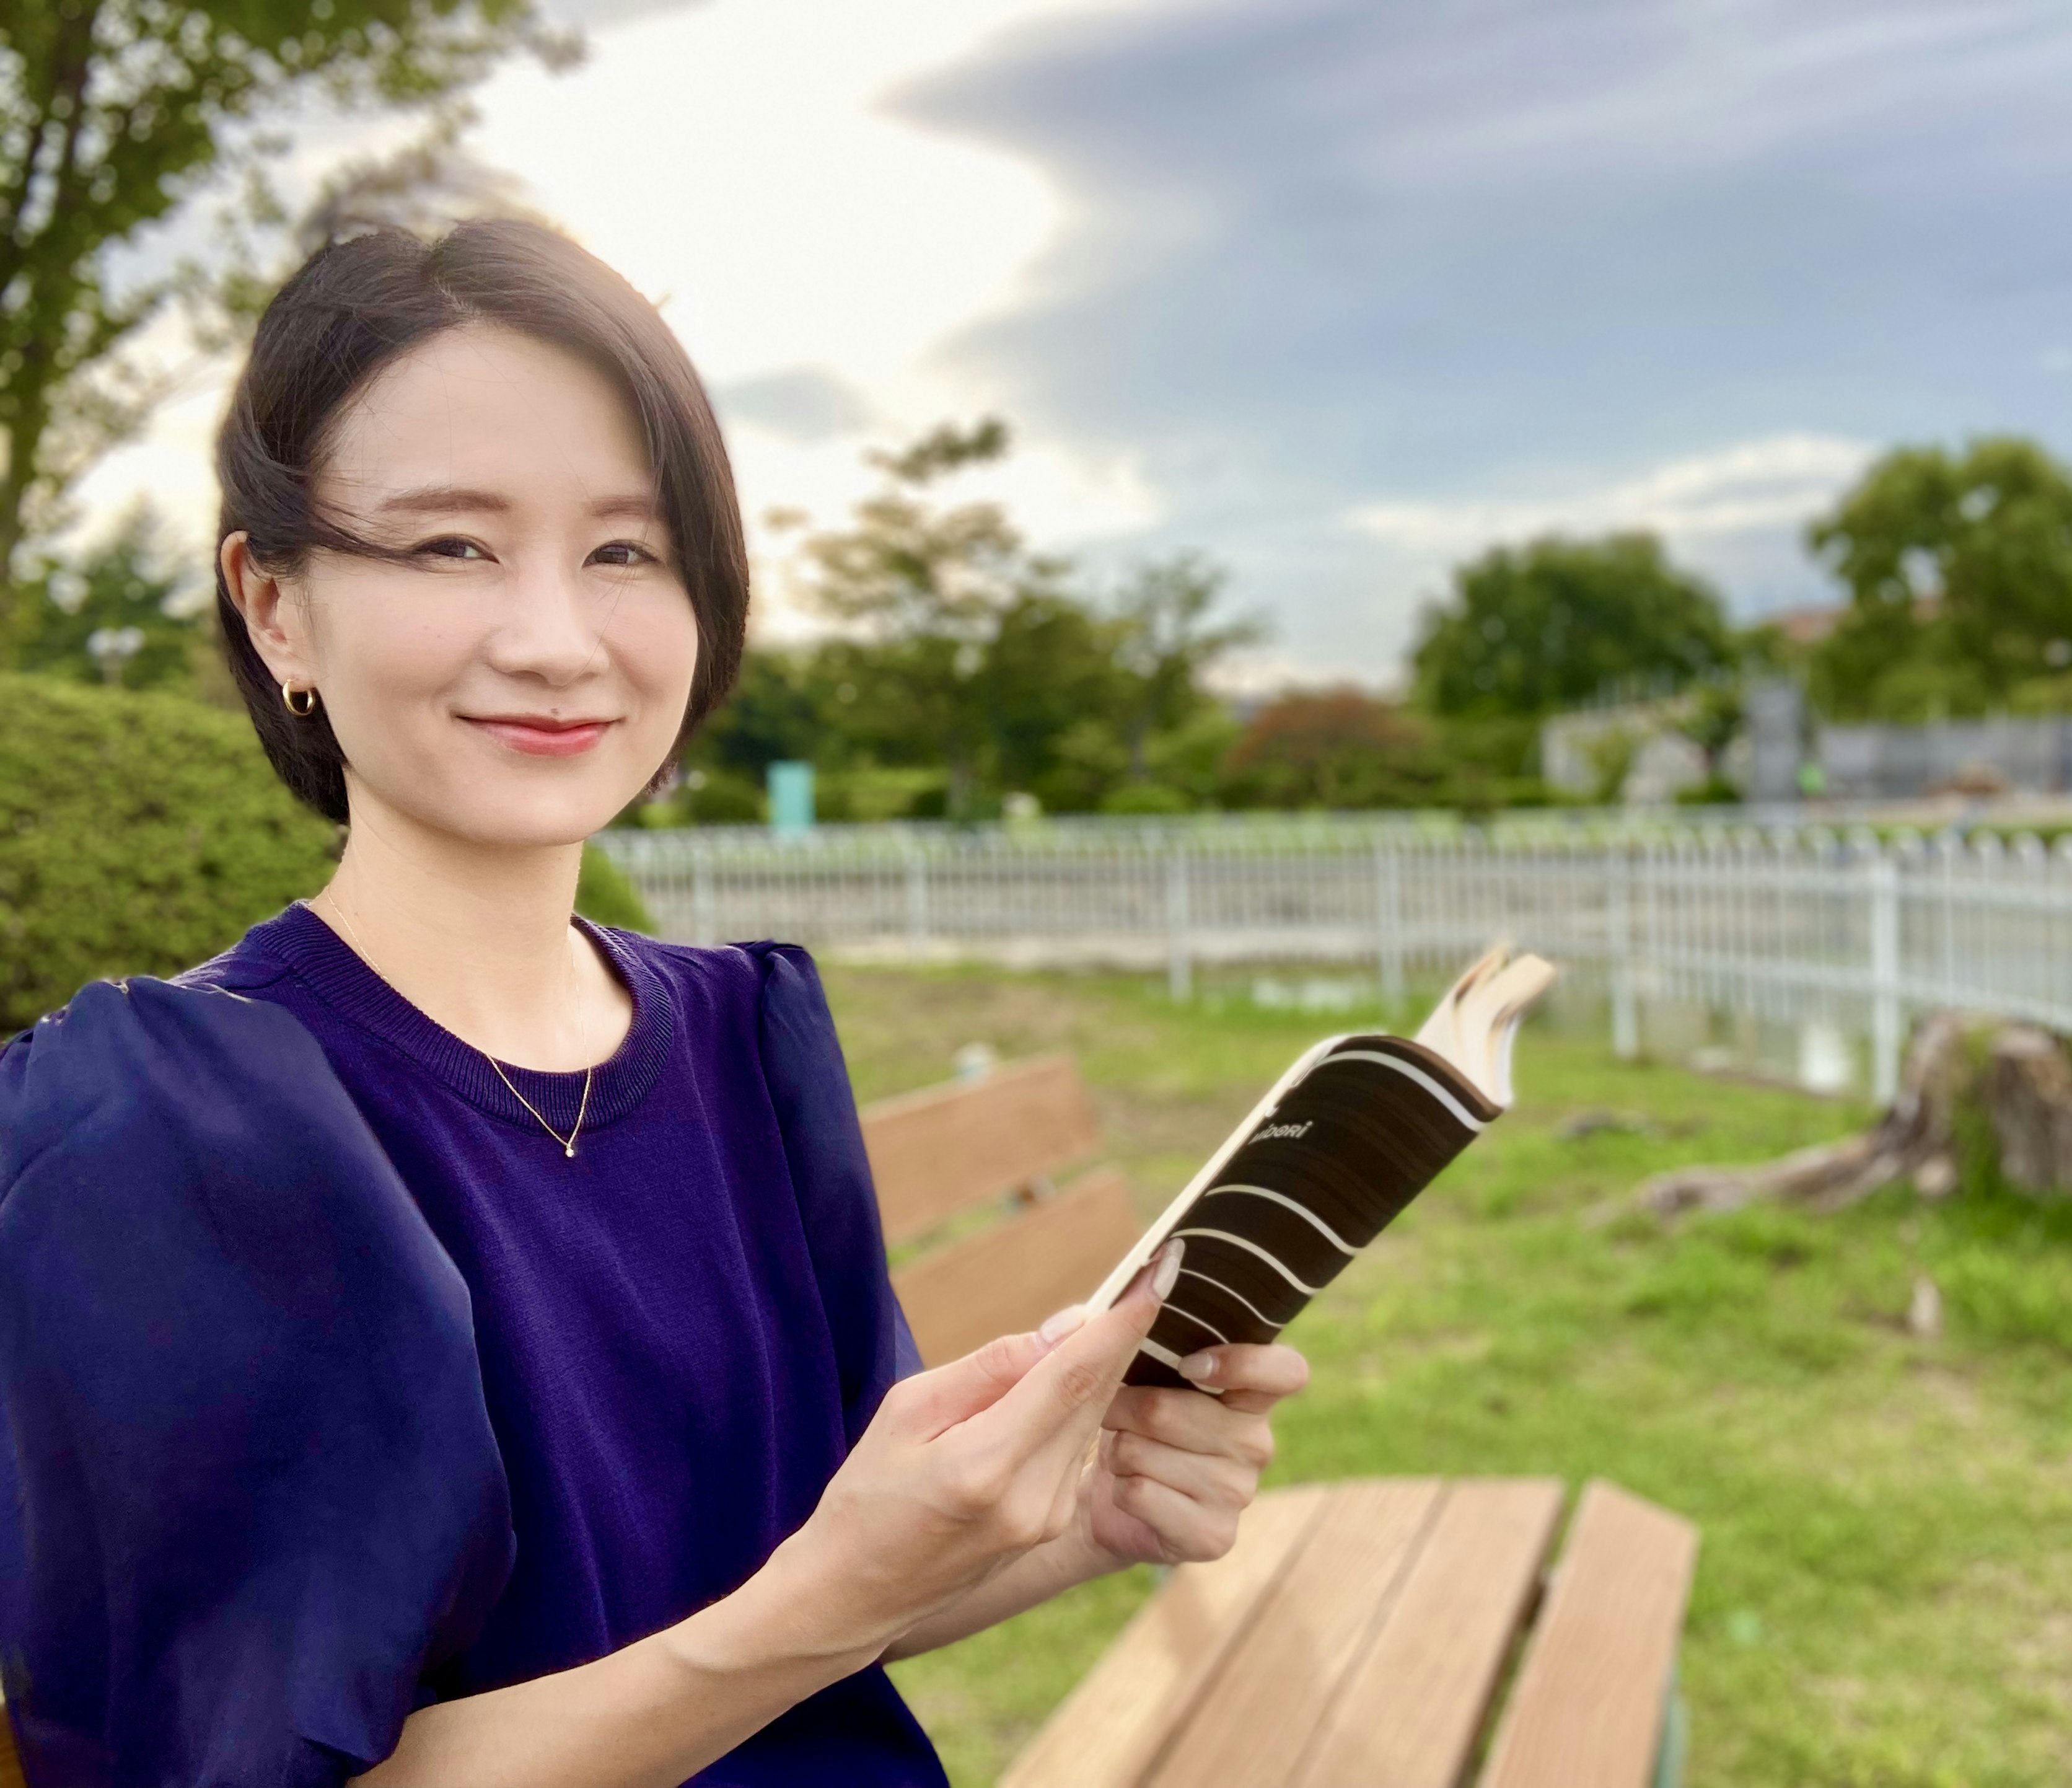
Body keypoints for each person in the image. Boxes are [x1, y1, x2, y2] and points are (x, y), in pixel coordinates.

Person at [0, 221, 1307, 1788]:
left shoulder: (745, 1042)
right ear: (276, 605)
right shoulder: (162, 1132)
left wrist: (1084, 1517)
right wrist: (815, 1610)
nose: (556, 641)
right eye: (449, 546)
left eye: (626, 551)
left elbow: (821, 1591)